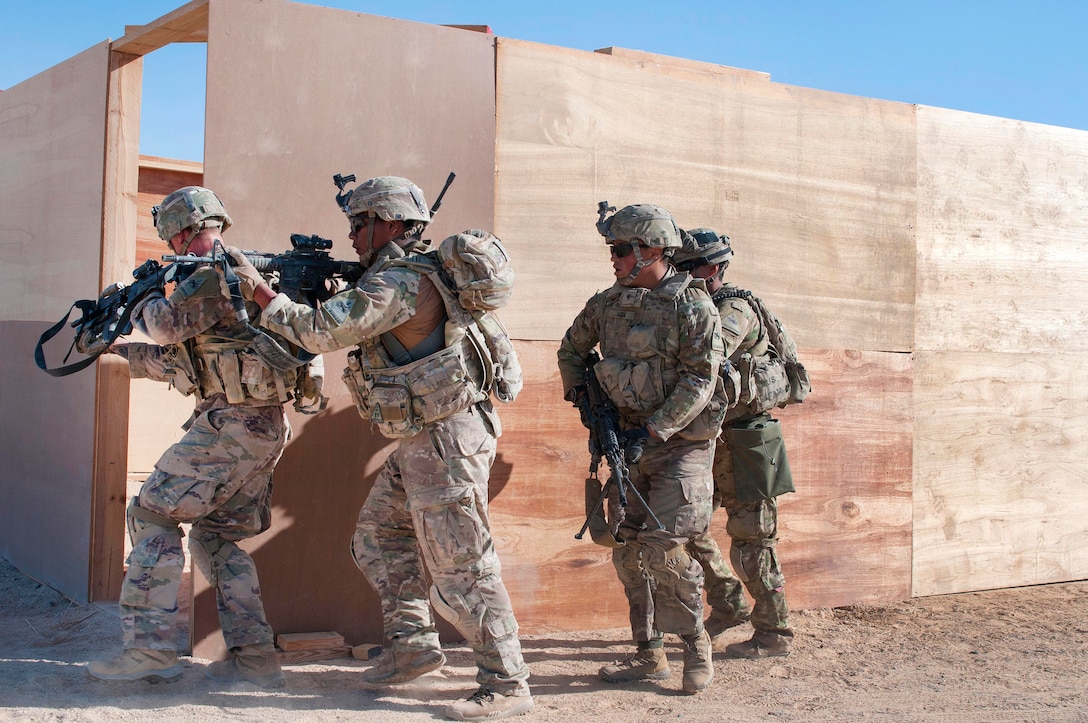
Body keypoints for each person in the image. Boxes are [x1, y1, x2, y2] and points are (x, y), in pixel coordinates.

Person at [225, 176, 533, 721]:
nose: (351, 236)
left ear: (389, 223)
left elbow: (320, 333)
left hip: (445, 440)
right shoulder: (402, 275)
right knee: (378, 537)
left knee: (462, 565)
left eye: (359, 224)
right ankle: (413, 646)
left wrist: (260, 293)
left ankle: (507, 681)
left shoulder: (401, 283)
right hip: (427, 438)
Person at [87, 186, 314, 688]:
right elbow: (189, 361)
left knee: (151, 513)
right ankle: (256, 656)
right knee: (215, 538)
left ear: (183, 230)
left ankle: (148, 648)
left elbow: (166, 330)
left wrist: (143, 293)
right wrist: (118, 349)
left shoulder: (213, 274)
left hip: (230, 430)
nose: (171, 244)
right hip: (260, 428)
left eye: (170, 235)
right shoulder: (243, 275)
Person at [557, 203, 725, 695]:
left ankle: (695, 644)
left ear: (653, 250)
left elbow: (700, 378)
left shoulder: (692, 306)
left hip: (680, 446)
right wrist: (587, 405)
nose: (614, 259)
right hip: (627, 445)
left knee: (664, 551)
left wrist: (655, 429)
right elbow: (571, 349)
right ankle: (649, 655)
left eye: (622, 249)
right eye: (613, 249)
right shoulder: (607, 303)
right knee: (628, 551)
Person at [672, 227, 796, 658]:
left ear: (713, 267)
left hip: (746, 441)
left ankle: (773, 631)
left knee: (752, 541)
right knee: (684, 528)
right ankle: (728, 604)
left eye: (688, 267)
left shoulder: (734, 309)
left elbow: (710, 351)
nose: (681, 275)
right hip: (709, 440)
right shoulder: (693, 307)